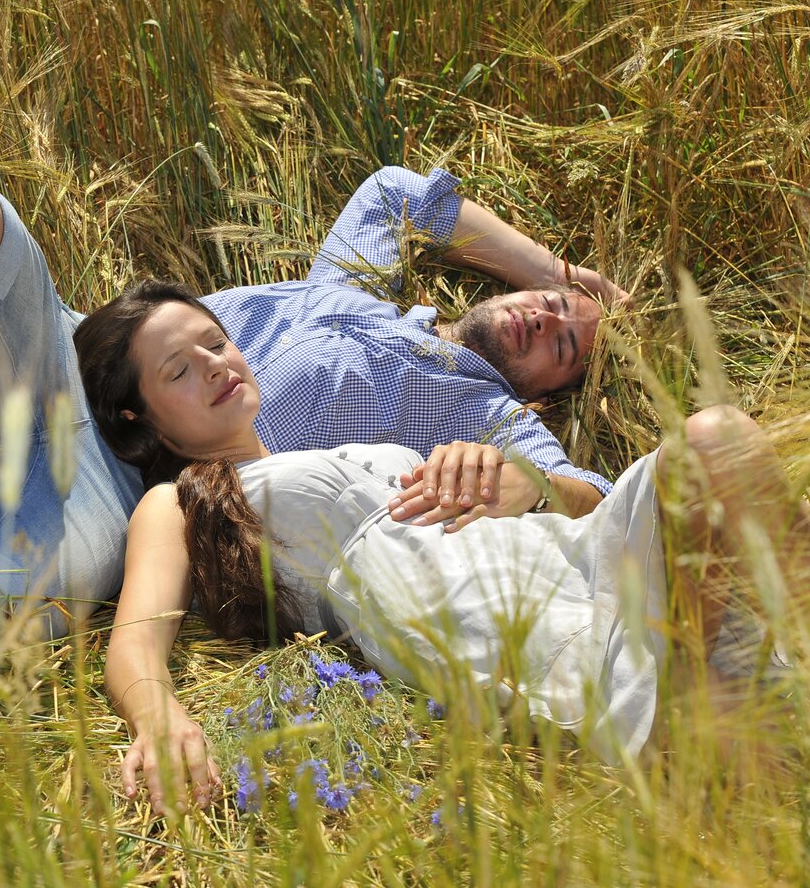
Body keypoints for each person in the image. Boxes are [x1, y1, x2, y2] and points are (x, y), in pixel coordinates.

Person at [0, 164, 626, 678]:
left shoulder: (483, 410)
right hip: (77, 353)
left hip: (130, 492)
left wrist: (532, 479)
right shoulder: (348, 283)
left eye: (563, 347)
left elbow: (598, 498)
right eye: (549, 305)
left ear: (546, 394)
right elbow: (403, 193)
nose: (546, 323)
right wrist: (568, 275)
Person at [74, 281, 806, 813]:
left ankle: (730, 705)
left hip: (568, 552)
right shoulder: (180, 502)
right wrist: (159, 717)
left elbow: (592, 498)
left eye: (215, 342)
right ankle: (715, 717)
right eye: (179, 369)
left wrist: (519, 478)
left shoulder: (350, 445)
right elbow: (136, 642)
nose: (214, 364)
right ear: (140, 417)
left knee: (722, 440)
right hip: (483, 613)